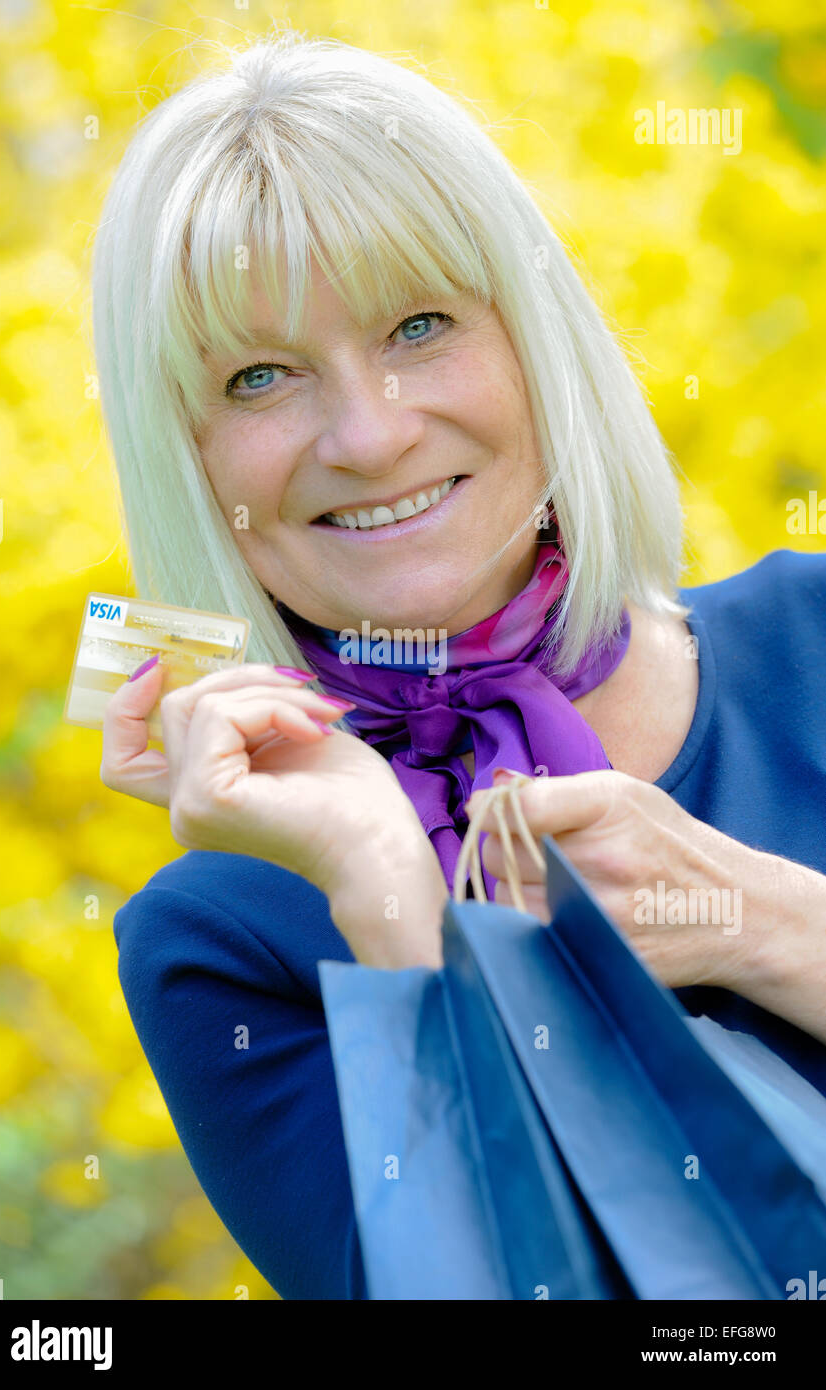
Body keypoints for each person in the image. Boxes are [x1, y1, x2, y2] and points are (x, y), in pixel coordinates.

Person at [91, 32, 826, 1299]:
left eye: (420, 324)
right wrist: (391, 897)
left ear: (538, 343)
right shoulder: (219, 942)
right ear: (190, 460)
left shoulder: (813, 641)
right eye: (259, 376)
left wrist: (756, 922)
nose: (370, 433)